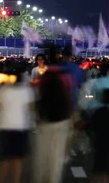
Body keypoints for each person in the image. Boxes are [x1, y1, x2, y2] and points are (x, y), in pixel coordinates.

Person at [32, 48, 73, 183]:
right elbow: (69, 97)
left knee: (42, 155)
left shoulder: (44, 76)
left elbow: (39, 95)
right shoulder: (65, 75)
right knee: (57, 157)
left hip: (45, 119)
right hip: (61, 120)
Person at [0, 65, 35, 183]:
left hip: (5, 126)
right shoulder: (27, 90)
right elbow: (31, 107)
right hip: (20, 126)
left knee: (4, 159)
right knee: (17, 160)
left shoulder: (3, 90)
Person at [89, 88, 109, 183]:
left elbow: (92, 126)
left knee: (97, 167)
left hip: (99, 142)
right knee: (108, 167)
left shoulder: (98, 112)